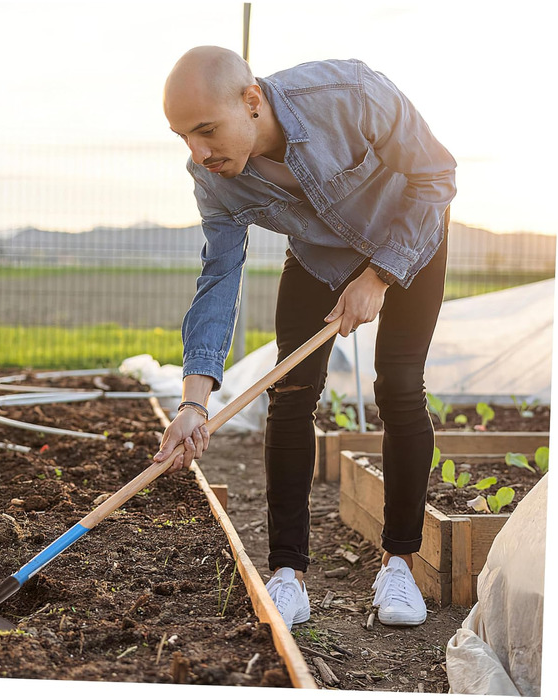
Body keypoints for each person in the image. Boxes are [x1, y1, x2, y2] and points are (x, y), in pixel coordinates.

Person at [154, 46, 456, 631]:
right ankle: (287, 574)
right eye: (183, 136)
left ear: (251, 101)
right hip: (318, 260)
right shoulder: (212, 180)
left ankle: (399, 563)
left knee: (398, 383)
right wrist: (194, 401)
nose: (197, 152)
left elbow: (437, 174)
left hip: (411, 237)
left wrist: (380, 274)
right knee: (290, 397)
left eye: (207, 130)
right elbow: (218, 278)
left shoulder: (349, 95)